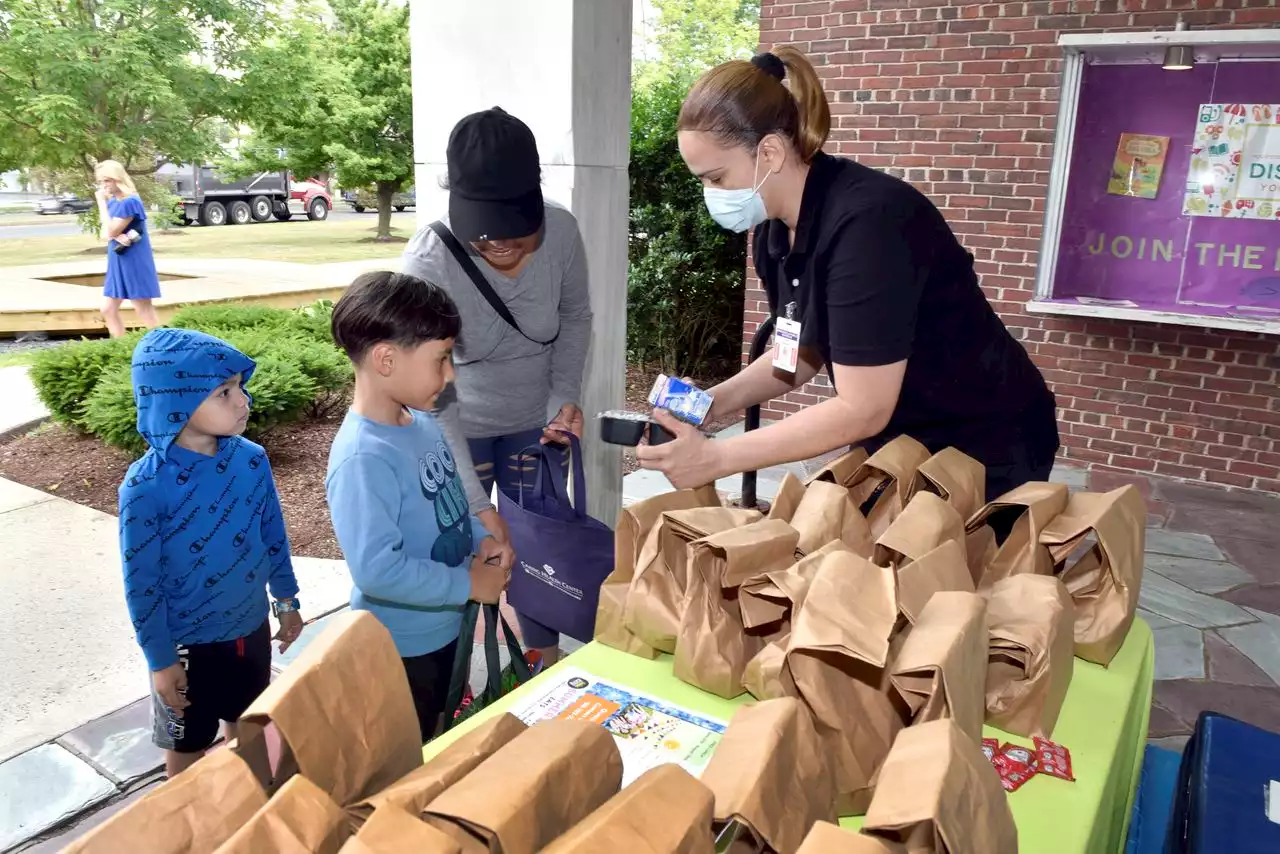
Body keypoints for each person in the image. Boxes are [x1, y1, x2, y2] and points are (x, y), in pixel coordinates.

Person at [637, 47, 1059, 502]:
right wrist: (708, 405)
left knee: (942, 571)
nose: (710, 195)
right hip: (902, 439)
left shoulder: (871, 223)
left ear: (771, 151)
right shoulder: (775, 235)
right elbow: (794, 356)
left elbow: (864, 407)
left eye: (715, 178)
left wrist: (718, 458)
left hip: (985, 440)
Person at [401, 107, 593, 666]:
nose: (501, 241)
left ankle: (542, 663)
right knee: (466, 545)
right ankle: (459, 672)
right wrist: (477, 504)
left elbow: (577, 316)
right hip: (461, 423)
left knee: (540, 546)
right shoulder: (428, 261)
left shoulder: (562, 231)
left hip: (537, 420)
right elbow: (431, 396)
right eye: (483, 227)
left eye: (514, 222)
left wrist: (563, 397)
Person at [326, 271, 510, 742]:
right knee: (407, 751)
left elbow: (447, 501)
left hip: (445, 626)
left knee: (439, 726)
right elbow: (377, 571)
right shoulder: (364, 458)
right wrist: (466, 581)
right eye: (442, 359)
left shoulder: (423, 424)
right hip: (399, 648)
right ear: (386, 359)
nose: (449, 375)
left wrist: (479, 537)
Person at [118, 328, 303, 778]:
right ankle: (188, 831)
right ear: (172, 402)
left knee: (251, 725)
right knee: (187, 747)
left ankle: (256, 805)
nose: (243, 401)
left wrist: (287, 601)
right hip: (186, 647)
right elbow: (141, 584)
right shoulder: (144, 488)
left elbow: (271, 532)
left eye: (240, 386)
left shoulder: (251, 460)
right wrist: (161, 662)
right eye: (224, 391)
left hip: (250, 630)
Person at [95, 160, 162, 337]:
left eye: (107, 181)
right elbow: (104, 234)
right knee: (108, 309)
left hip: (133, 260)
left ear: (117, 179)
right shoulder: (114, 203)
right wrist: (116, 235)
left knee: (144, 310)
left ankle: (165, 350)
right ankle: (121, 350)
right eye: (101, 182)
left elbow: (109, 229)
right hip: (118, 259)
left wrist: (101, 204)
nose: (103, 186)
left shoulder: (130, 201)